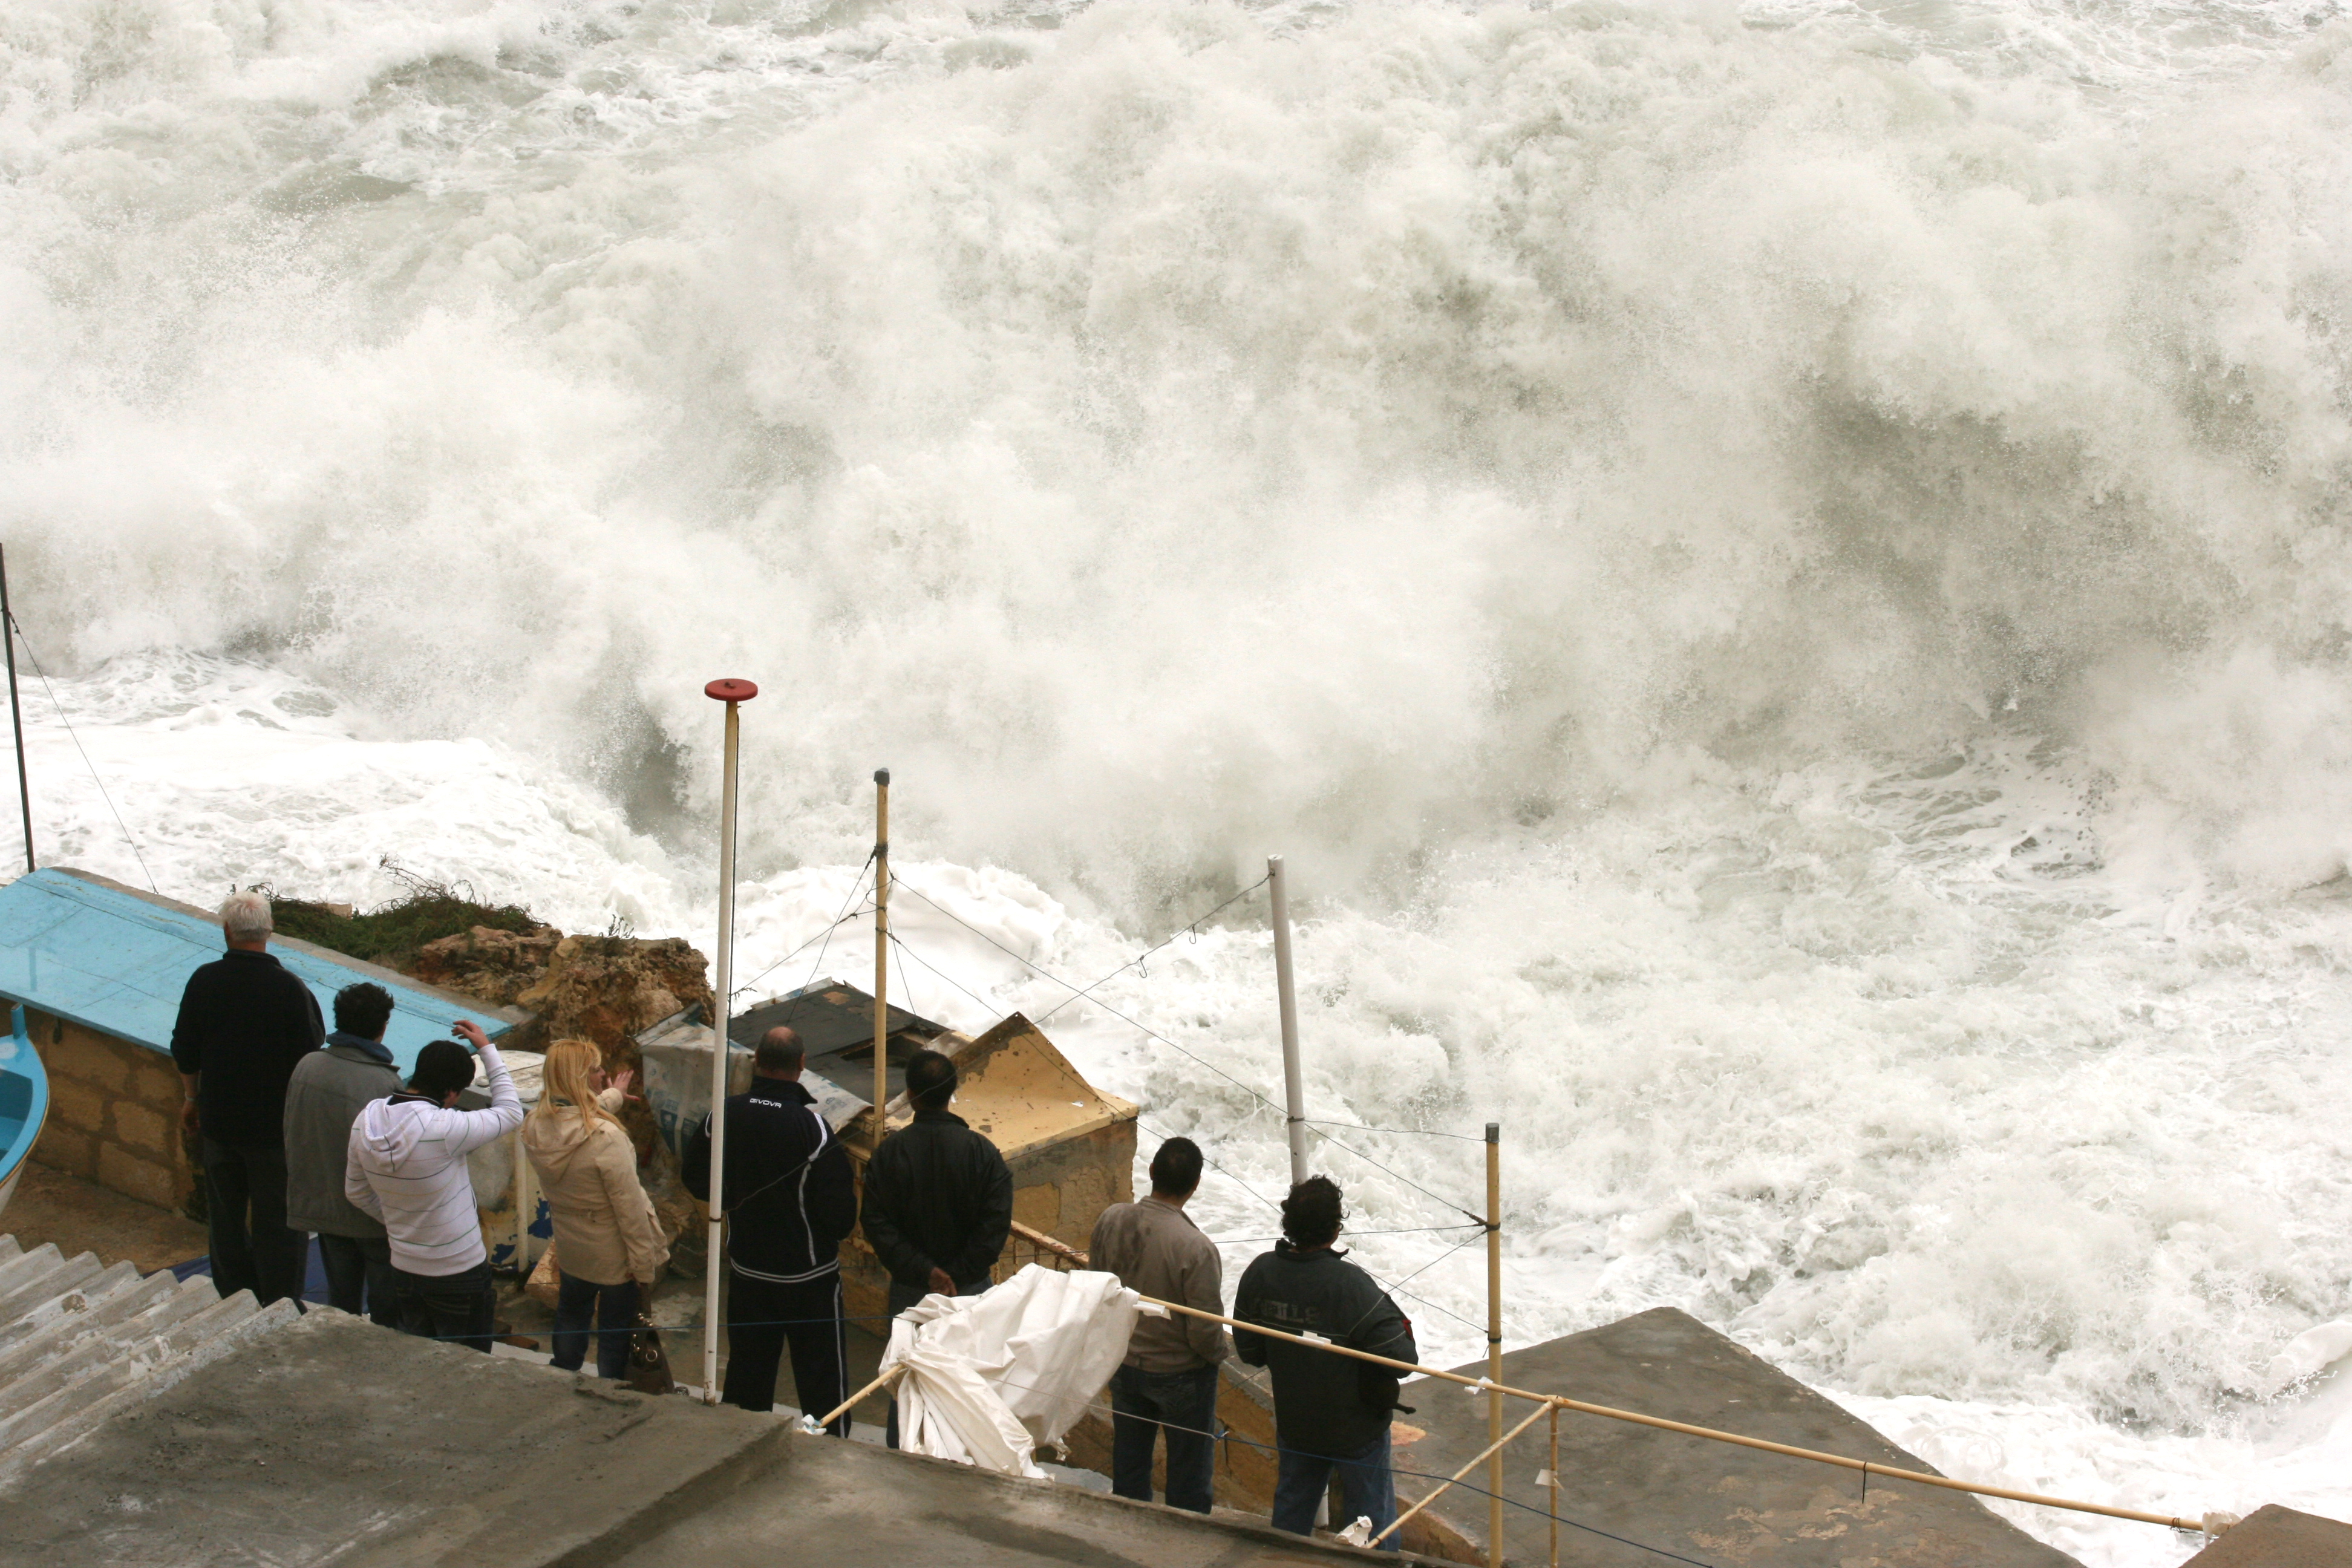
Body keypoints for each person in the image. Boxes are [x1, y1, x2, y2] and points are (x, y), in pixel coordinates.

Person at [682, 1026, 856, 1429]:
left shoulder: (723, 1114)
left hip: (748, 1272)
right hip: (809, 1279)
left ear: (756, 1061)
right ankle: (832, 1456)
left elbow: (694, 1177)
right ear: (801, 1065)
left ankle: (740, 1448)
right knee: (823, 1383)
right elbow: (841, 1215)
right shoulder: (812, 1128)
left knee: (748, 1376)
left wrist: (733, 1199)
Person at [1233, 1176, 1417, 1550]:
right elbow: (1403, 1360)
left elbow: (1249, 1352)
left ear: (1289, 1226)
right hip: (1357, 1430)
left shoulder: (1261, 1273)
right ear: (1336, 1230)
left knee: (1290, 1521)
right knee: (1371, 1527)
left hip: (1297, 1422)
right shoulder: (1350, 1284)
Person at [169, 889, 325, 1308]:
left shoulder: (204, 980)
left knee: (226, 1215)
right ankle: (279, 1301)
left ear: (226, 932)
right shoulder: (290, 990)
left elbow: (184, 1047)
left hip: (220, 1122)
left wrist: (191, 1098)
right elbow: (312, 1052)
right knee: (279, 1218)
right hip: (275, 1130)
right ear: (269, 931)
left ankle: (234, 1297)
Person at [860, 1046, 1012, 1447]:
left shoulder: (889, 1153)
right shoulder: (983, 1153)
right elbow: (994, 1227)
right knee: (967, 1386)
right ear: (953, 1091)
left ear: (910, 1094)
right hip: (970, 1294)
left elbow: (876, 1223)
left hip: (912, 1292)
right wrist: (958, 1274)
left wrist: (926, 1271)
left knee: (907, 1380)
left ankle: (903, 1459)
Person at [344, 1021, 521, 1352]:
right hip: (459, 1271)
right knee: (469, 1363)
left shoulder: (366, 1119)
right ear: (452, 1093)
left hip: (404, 1267)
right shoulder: (444, 1127)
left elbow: (355, 1192)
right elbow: (511, 1112)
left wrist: (403, 1224)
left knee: (420, 1359)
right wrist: (487, 1049)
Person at [1088, 1135, 1230, 1514]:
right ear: (1195, 1185)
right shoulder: (1196, 1247)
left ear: (1151, 1172)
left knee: (1130, 1463)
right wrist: (1220, 1354)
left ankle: (1129, 1532)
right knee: (1188, 1473)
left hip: (1124, 1362)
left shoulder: (1110, 1219)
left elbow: (1096, 1287)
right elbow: (1204, 1330)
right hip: (1180, 1375)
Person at [524, 1037, 670, 1380]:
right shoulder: (606, 1138)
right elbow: (630, 1210)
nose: (603, 1073)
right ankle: (609, 1389)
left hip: (572, 1245)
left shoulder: (534, 1123)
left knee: (571, 1313)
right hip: (614, 1256)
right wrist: (643, 1266)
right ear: (579, 1079)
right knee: (615, 1330)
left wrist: (614, 1096)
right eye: (596, 1070)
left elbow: (573, 1113)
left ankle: (563, 1371)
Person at [282, 982, 403, 1327]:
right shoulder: (385, 1086)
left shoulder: (307, 1066)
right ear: (383, 1026)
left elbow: (293, 1133)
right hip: (373, 1219)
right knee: (387, 1311)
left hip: (325, 1209)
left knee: (341, 1304)